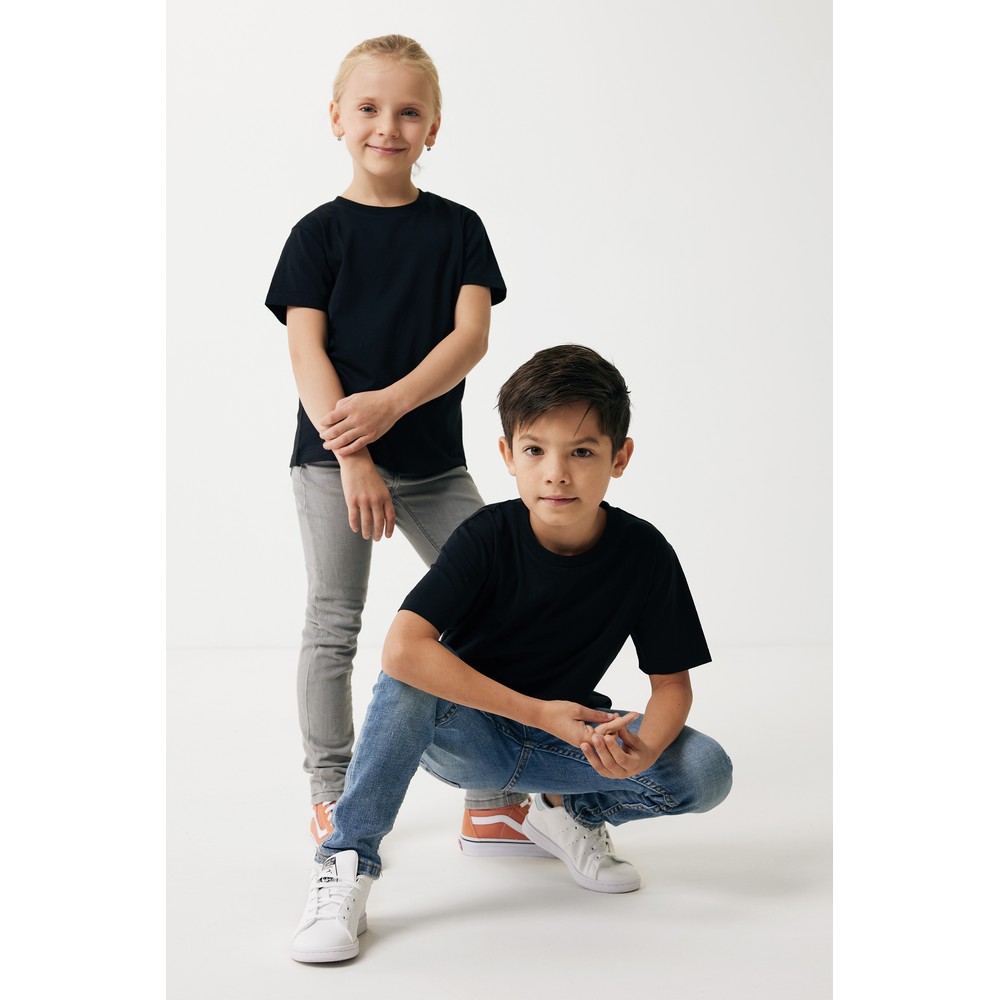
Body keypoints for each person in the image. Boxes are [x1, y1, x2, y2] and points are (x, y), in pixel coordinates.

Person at [290, 344, 734, 963]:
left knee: (705, 769)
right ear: (507, 456)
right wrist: (537, 712)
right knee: (410, 675)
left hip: (567, 742)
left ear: (620, 457)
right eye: (535, 451)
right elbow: (401, 650)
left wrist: (643, 750)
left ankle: (568, 813)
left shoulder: (645, 553)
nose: (557, 473)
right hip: (467, 738)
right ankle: (347, 862)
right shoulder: (487, 535)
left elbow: (671, 686)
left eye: (582, 452)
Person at [265, 35, 534, 859]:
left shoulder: (459, 229)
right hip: (333, 462)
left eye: (409, 111)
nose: (388, 125)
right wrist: (354, 456)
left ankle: (492, 800)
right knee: (334, 621)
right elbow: (306, 353)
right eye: (370, 108)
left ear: (433, 128)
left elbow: (470, 339)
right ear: (337, 118)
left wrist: (390, 405)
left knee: (494, 605)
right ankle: (331, 791)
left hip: (434, 464)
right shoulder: (316, 234)